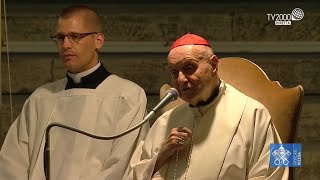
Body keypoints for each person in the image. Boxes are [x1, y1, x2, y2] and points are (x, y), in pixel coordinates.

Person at [0, 5, 149, 180]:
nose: (65, 45)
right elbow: (13, 162)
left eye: (75, 37)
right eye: (60, 37)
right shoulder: (40, 99)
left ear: (98, 41)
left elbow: (124, 166)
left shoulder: (128, 96)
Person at [125, 33, 288, 179]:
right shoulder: (165, 121)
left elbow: (278, 170)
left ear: (214, 65)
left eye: (189, 67)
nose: (180, 79)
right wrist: (162, 155)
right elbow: (134, 174)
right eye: (174, 72)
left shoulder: (255, 113)